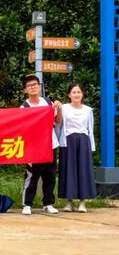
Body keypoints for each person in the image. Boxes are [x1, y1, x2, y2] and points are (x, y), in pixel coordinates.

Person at [20, 74, 62, 216]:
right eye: (29, 85)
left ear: (39, 86)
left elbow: (58, 121)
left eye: (35, 84)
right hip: (33, 146)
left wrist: (59, 108)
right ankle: (27, 204)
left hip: (51, 144)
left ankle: (48, 203)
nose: (33, 87)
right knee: (32, 175)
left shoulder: (48, 102)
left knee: (50, 175)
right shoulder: (24, 107)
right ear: (25, 90)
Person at [58, 83, 96, 213]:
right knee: (68, 170)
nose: (76, 94)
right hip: (68, 141)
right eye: (74, 92)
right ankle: (68, 202)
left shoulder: (88, 110)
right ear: (69, 94)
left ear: (82, 94)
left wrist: (91, 146)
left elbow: (90, 129)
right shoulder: (63, 108)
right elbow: (59, 125)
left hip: (84, 141)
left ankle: (82, 202)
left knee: (83, 170)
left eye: (79, 92)